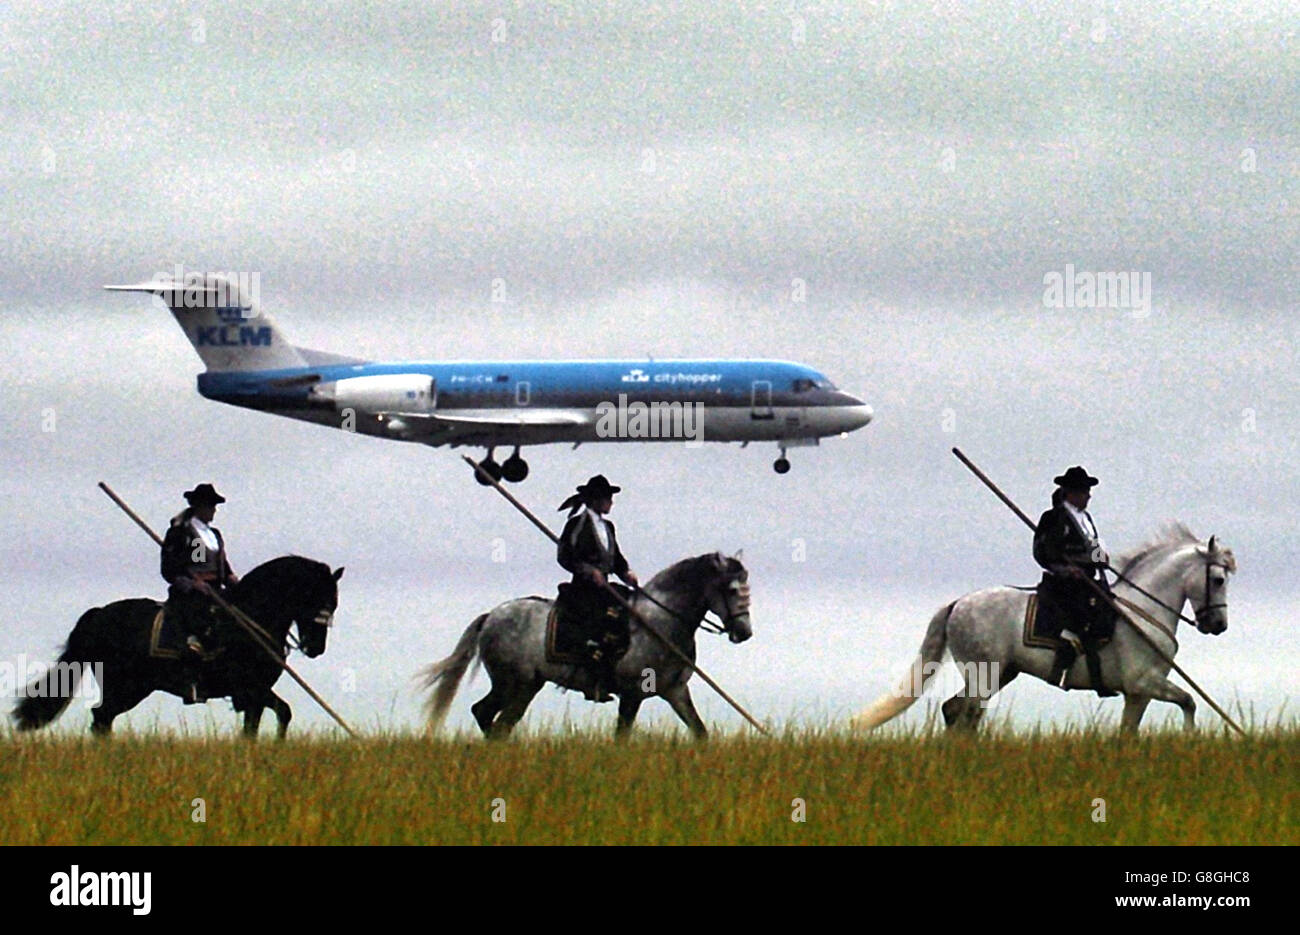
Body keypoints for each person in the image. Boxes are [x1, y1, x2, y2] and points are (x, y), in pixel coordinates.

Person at [1032, 466, 1115, 693]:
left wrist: (1101, 559)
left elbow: (1093, 545)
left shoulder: (1086, 518)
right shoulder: (1054, 518)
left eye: (1087, 491)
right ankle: (1063, 662)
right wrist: (1066, 569)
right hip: (1065, 582)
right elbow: (1043, 551)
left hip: (1087, 579)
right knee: (1080, 618)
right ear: (1070, 493)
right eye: (1083, 491)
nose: (1088, 495)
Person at [556, 475, 639, 702]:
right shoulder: (577, 524)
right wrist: (588, 571)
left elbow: (616, 559)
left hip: (605, 587)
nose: (611, 502)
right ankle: (592, 681)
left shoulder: (608, 527)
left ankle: (619, 672)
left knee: (632, 611)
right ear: (595, 500)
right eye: (607, 498)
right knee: (598, 626)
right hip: (583, 588)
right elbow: (565, 556)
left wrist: (626, 573)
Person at [160, 483, 239, 702]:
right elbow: (169, 568)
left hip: (216, 591)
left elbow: (221, 563)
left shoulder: (214, 534)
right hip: (191, 594)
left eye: (214, 506)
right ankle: (192, 681)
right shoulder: (180, 532)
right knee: (200, 631)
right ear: (199, 507)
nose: (214, 510)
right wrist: (192, 584)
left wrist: (231, 578)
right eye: (210, 505)